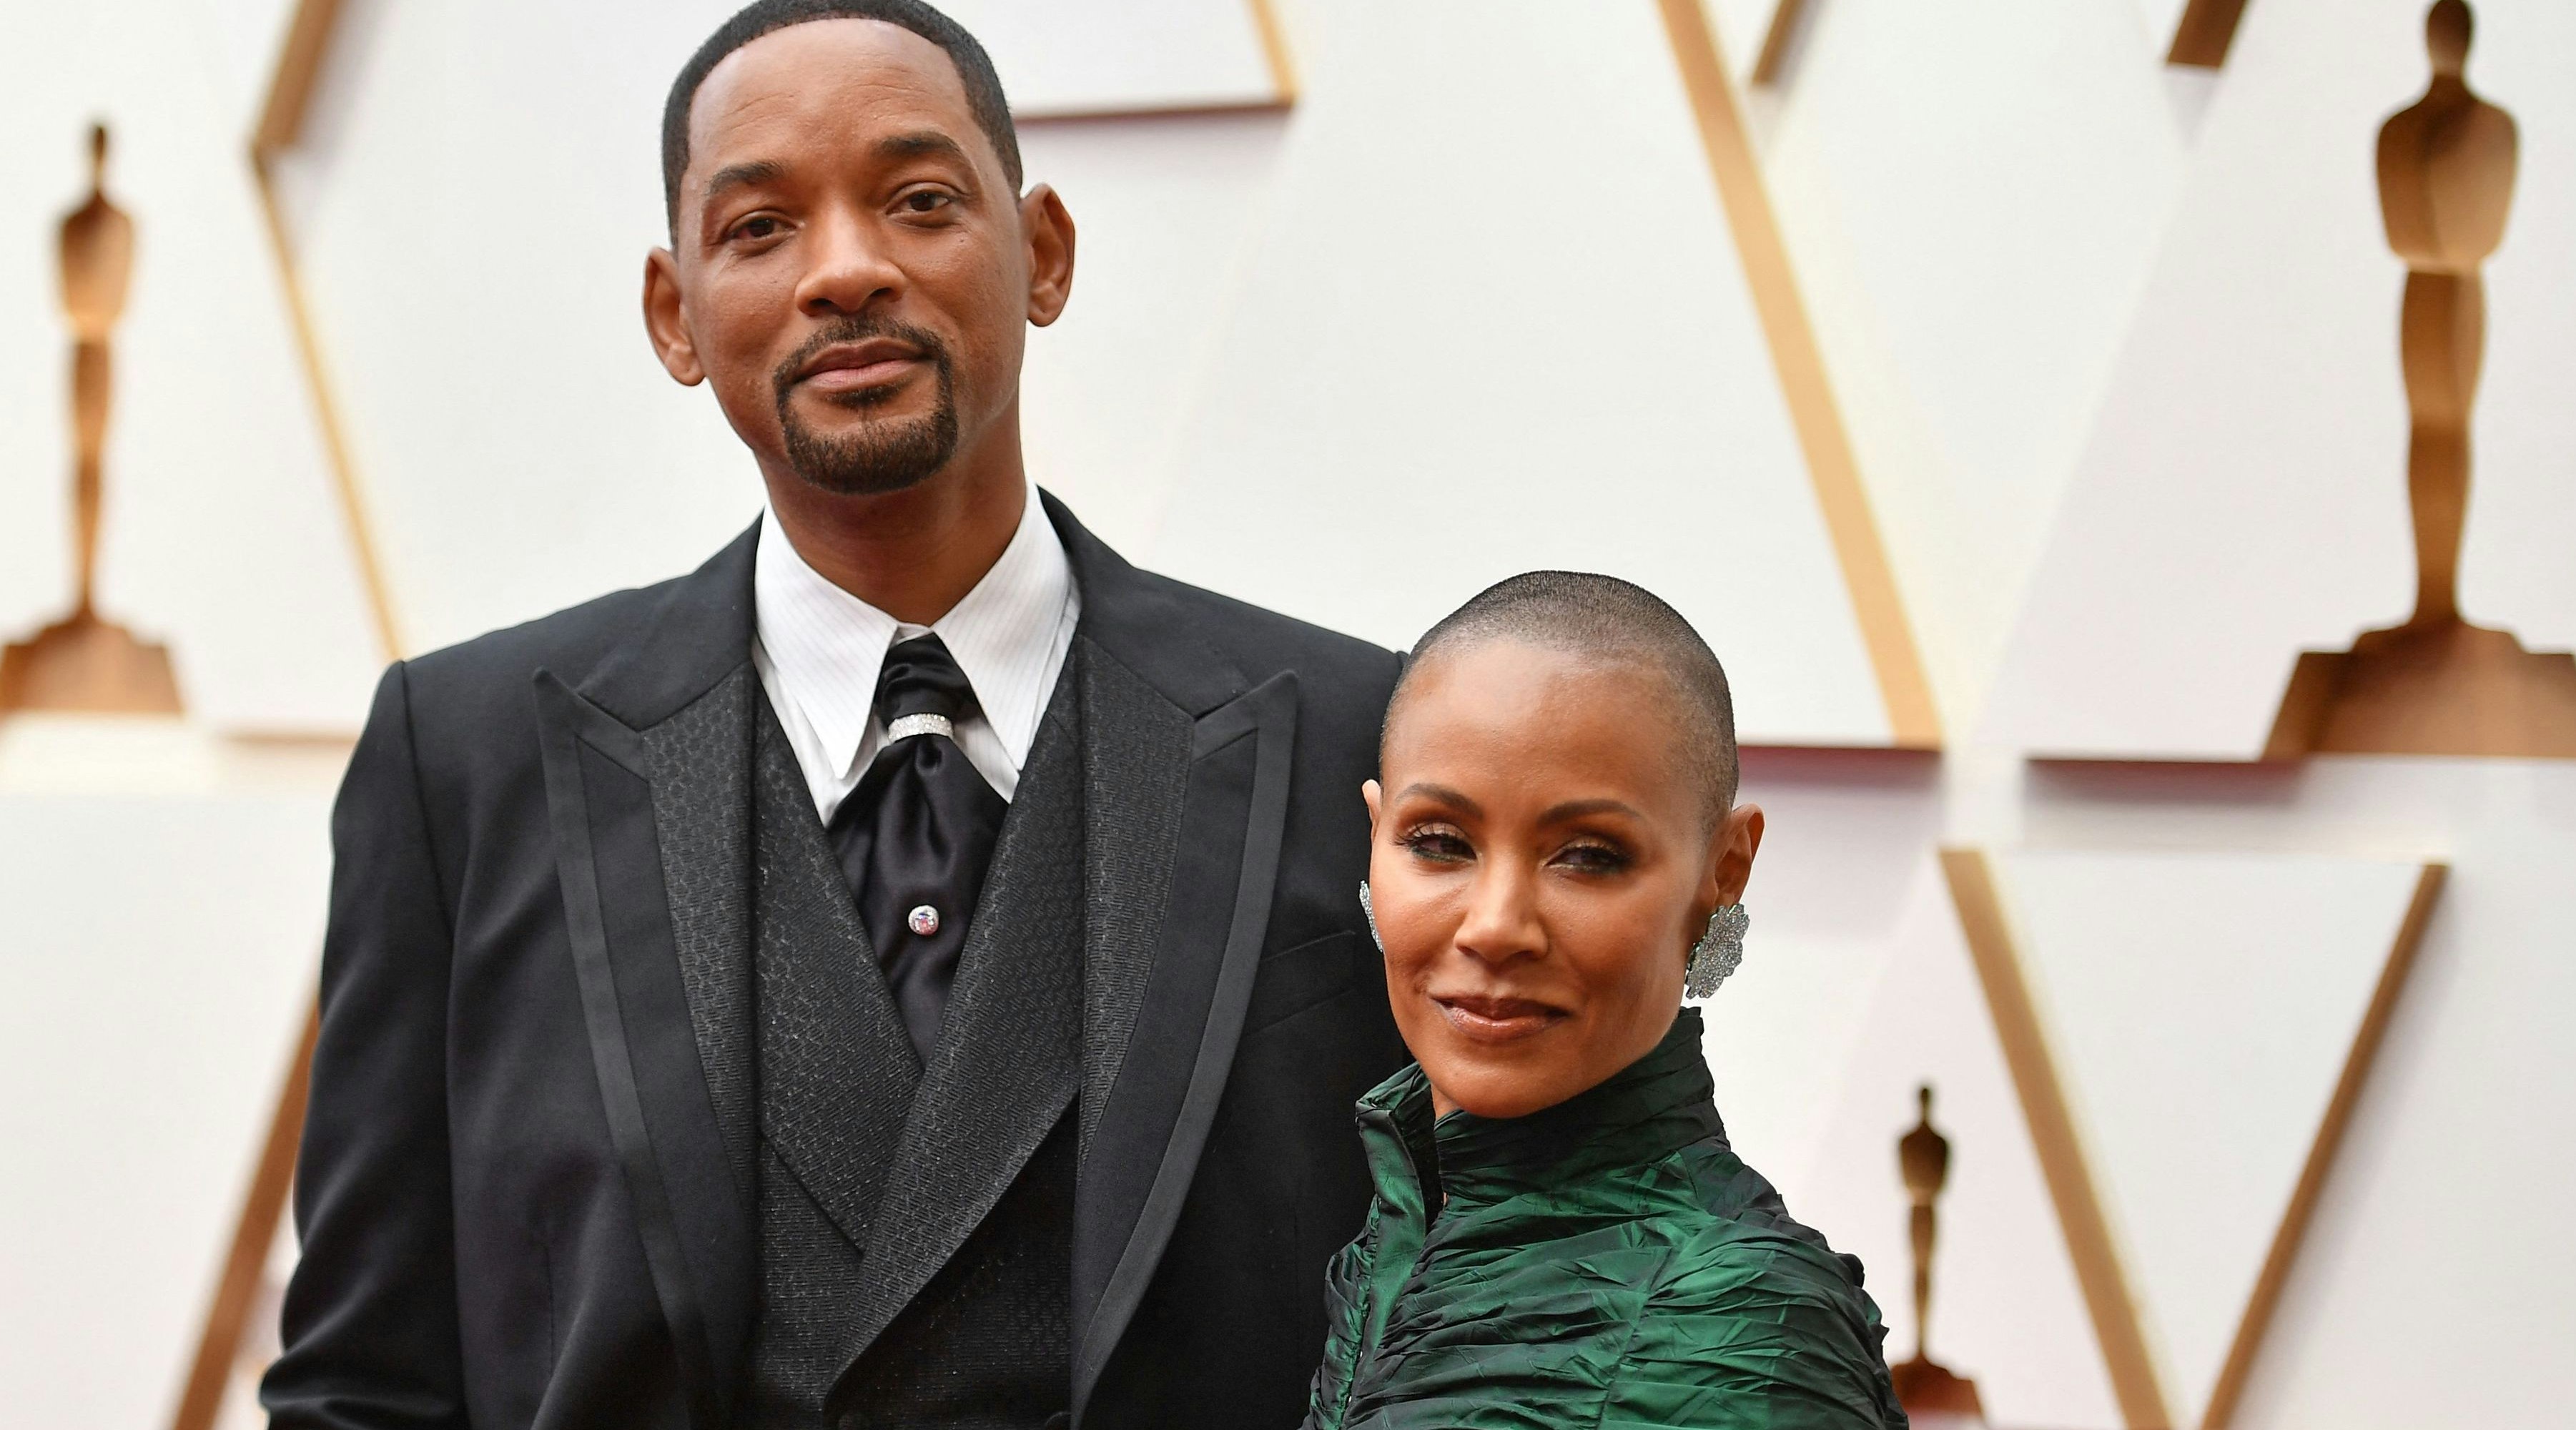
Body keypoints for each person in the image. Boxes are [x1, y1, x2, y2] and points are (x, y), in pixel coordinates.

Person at [260, 4, 1403, 1427]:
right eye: (758, 229)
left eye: (918, 202)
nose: (846, 272)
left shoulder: (1354, 738)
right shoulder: (465, 759)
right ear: (674, 314)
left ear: (1040, 252)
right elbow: (367, 1379)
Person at [1307, 573, 1906, 1430]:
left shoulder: (1736, 1323)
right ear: (1374, 839)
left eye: (1588, 855)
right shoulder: (1386, 1247)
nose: (1496, 925)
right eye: (1439, 843)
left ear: (1724, 867)